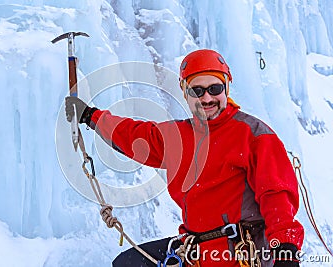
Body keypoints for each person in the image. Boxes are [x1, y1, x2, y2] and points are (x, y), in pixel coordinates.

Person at [65, 49, 304, 267]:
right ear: (185, 93)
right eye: (197, 91)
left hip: (241, 254)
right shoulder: (177, 136)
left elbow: (276, 196)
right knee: (127, 264)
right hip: (195, 250)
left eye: (215, 88)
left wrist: (285, 249)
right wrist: (90, 115)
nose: (207, 98)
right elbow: (132, 135)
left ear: (227, 88)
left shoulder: (253, 135)